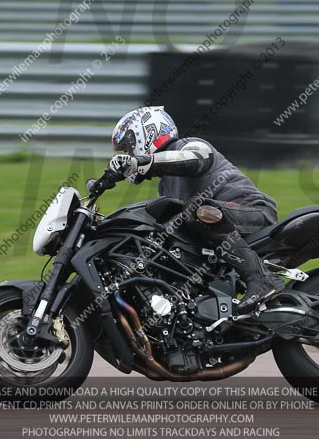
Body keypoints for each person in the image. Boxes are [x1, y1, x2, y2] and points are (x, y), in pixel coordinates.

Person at [107, 106, 285, 313]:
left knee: (196, 209)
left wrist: (143, 161)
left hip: (251, 210)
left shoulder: (189, 146)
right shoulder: (165, 185)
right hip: (219, 228)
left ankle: (261, 279)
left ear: (146, 134)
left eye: (128, 148)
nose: (128, 154)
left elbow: (193, 161)